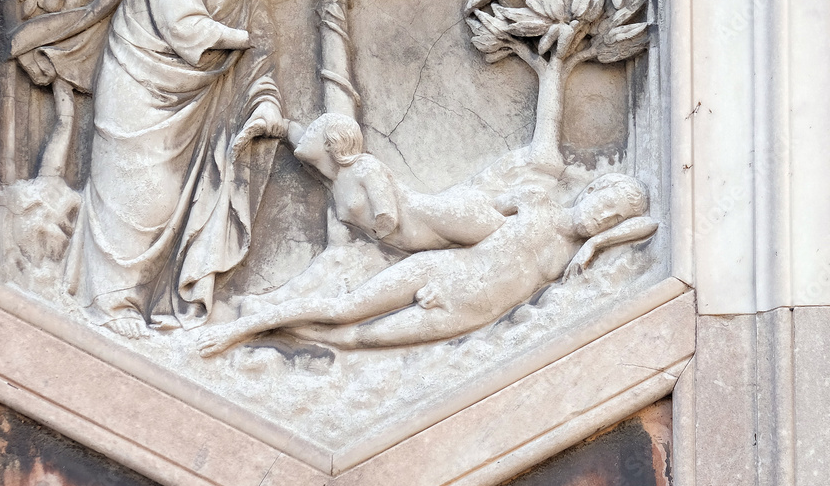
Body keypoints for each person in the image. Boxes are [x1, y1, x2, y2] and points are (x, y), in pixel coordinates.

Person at [62, 0, 327, 338]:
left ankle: (163, 300)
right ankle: (111, 302)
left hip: (201, 111)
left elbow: (262, 69)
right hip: (140, 86)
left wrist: (266, 107)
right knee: (139, 192)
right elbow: (182, 25)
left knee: (180, 202)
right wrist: (244, 40)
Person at [198, 172, 658, 355]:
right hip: (442, 272)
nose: (605, 216)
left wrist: (601, 243)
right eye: (607, 204)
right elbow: (466, 211)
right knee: (345, 309)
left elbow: (648, 225)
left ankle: (265, 329)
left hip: (465, 314)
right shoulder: (535, 201)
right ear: (594, 190)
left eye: (614, 218)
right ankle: (241, 329)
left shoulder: (573, 255)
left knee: (352, 339)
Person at [285, 112, 507, 252]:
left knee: (503, 237)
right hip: (418, 242)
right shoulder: (337, 178)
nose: (305, 135)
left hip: (443, 219)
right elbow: (300, 142)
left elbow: (387, 216)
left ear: (329, 143)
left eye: (312, 130)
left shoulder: (365, 166)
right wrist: (282, 125)